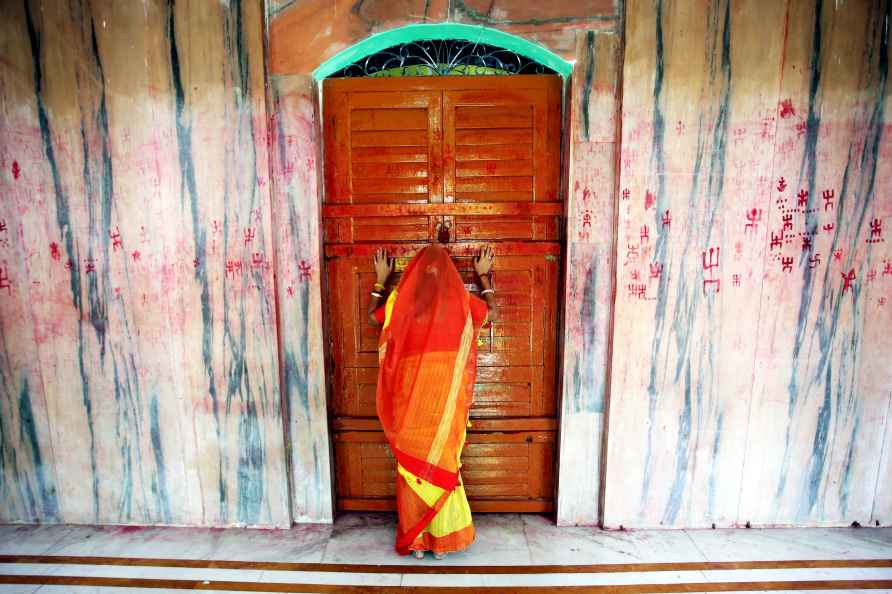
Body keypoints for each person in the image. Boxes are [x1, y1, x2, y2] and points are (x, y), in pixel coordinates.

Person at [368, 245, 496, 559]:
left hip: (409, 401)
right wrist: (483, 276)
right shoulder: (459, 302)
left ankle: (418, 542)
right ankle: (442, 542)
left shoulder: (401, 301)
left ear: (412, 273)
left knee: (413, 470)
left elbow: (374, 319)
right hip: (446, 400)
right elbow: (490, 314)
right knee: (441, 467)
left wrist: (380, 281)